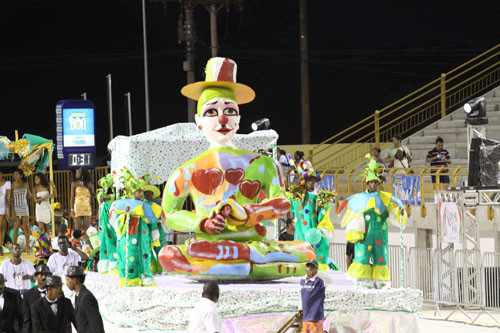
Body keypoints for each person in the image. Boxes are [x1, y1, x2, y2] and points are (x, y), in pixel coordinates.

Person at [159, 57, 314, 279]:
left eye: (229, 111)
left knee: (306, 250)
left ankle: (237, 260)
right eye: (211, 112)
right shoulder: (186, 171)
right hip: (210, 246)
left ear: (238, 119)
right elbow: (170, 215)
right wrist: (202, 222)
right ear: (198, 121)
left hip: (249, 244)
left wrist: (245, 213)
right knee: (168, 255)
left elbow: (282, 204)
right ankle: (252, 262)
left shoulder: (264, 164)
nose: (222, 119)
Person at [337, 155, 406, 289]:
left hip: (380, 234)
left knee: (380, 256)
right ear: (367, 183)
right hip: (365, 235)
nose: (374, 184)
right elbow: (353, 218)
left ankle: (381, 282)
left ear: (379, 183)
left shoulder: (386, 198)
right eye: (371, 182)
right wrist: (356, 235)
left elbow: (395, 211)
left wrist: (400, 212)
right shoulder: (359, 199)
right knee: (362, 255)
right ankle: (362, 281)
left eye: (376, 182)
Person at [112, 174, 161, 286]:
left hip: (142, 232)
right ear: (132, 192)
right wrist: (126, 213)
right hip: (130, 232)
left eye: (142, 191)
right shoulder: (123, 203)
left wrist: (153, 237)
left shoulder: (146, 205)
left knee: (144, 253)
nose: (141, 193)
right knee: (130, 253)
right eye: (139, 191)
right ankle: (130, 278)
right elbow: (118, 220)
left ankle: (145, 276)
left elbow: (151, 220)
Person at [289, 160, 337, 271]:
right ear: (304, 182)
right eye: (307, 180)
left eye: (312, 180)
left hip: (316, 231)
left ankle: (318, 269)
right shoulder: (298, 195)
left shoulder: (321, 196)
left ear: (315, 181)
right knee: (301, 252)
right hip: (301, 231)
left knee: (319, 250)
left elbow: (324, 213)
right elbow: (289, 204)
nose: (310, 182)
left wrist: (320, 229)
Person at [65, 266, 104, 333]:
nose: (66, 283)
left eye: (67, 280)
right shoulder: (79, 296)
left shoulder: (86, 298)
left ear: (74, 280)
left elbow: (96, 324)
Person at [22, 264, 52, 333]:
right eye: (41, 275)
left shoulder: (57, 292)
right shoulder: (28, 295)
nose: (44, 277)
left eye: (46, 275)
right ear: (35, 277)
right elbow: (27, 319)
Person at [299, 260, 326, 333]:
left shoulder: (320, 281)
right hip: (305, 317)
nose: (310, 268)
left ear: (316, 269)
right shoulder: (302, 281)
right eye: (308, 266)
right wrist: (300, 308)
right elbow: (302, 295)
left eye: (312, 267)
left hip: (316, 317)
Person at [10, 170, 32, 252]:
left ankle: (27, 247)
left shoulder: (26, 184)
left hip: (24, 206)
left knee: (26, 227)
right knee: (16, 227)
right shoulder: (13, 185)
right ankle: (14, 247)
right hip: (15, 207)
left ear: (21, 175)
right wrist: (11, 211)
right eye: (14, 174)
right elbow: (10, 199)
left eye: (16, 174)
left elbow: (29, 196)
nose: (15, 176)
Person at [70, 168, 95, 232]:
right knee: (78, 227)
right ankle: (77, 241)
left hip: (87, 207)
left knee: (87, 227)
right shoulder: (74, 183)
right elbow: (72, 197)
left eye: (77, 172)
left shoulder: (89, 184)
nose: (76, 174)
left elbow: (93, 194)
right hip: (77, 207)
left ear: (82, 174)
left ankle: (87, 241)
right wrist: (72, 209)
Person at [0, 172, 12, 256]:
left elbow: (8, 197)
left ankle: (0, 246)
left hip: (3, 208)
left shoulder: (7, 183)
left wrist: (8, 209)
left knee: (1, 228)